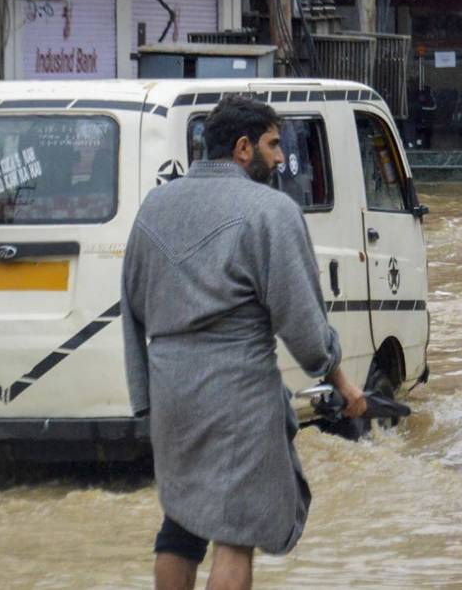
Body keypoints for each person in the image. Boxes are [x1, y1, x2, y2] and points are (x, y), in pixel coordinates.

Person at [121, 96, 367, 590]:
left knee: (182, 525)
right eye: (273, 145)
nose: (280, 158)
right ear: (241, 148)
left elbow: (131, 308)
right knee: (236, 533)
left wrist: (145, 400)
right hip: (237, 395)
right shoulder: (271, 210)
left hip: (171, 393)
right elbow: (304, 325)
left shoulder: (154, 206)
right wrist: (339, 378)